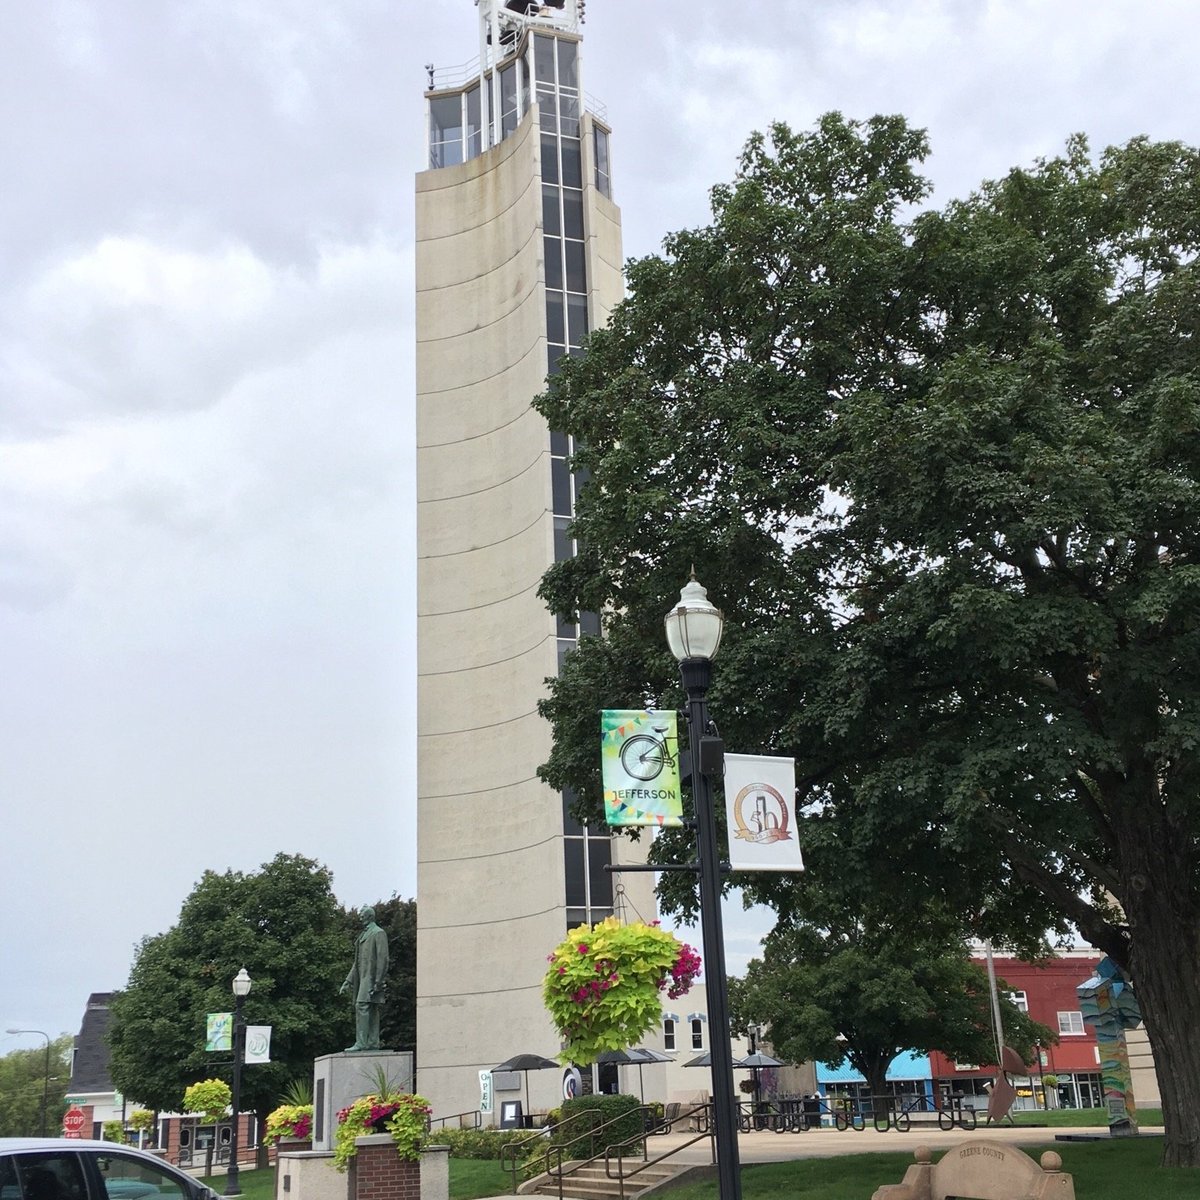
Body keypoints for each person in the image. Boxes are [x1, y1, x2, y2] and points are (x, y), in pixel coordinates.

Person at [339, 905, 390, 1052]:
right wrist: (348, 981)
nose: (360, 917)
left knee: (362, 1006)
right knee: (371, 1009)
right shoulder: (363, 935)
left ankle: (361, 1043)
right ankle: (373, 1043)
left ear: (369, 916)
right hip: (363, 979)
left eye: (362, 915)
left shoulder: (378, 933)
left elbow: (383, 959)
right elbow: (358, 962)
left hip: (371, 979)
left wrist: (378, 982)